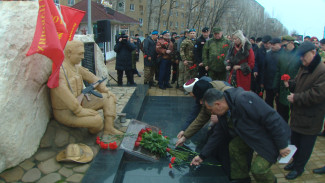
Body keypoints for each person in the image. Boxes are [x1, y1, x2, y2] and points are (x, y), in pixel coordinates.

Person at [190, 87, 291, 183]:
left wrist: (282, 145)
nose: (211, 113)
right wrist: (202, 156)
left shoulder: (244, 99)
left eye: (211, 109)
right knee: (235, 146)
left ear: (218, 104)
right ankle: (242, 178)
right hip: (252, 136)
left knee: (258, 170)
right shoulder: (225, 111)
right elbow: (217, 135)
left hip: (271, 137)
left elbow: (272, 119)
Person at [51, 40, 123, 135]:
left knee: (109, 97)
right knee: (97, 120)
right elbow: (63, 92)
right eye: (80, 54)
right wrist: (79, 111)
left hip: (81, 102)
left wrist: (104, 89)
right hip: (66, 111)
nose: (83, 57)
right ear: (69, 53)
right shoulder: (59, 71)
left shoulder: (76, 67)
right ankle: (85, 134)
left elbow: (93, 78)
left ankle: (109, 128)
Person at [284, 41, 325, 180]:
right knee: (295, 141)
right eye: (300, 56)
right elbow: (298, 82)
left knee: (305, 145)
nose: (301, 59)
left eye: (304, 56)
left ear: (314, 52)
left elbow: (317, 94)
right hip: (298, 114)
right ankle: (294, 161)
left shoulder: (321, 71)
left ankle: (299, 168)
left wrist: (296, 98)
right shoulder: (305, 67)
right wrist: (291, 84)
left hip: (311, 117)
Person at [273, 35, 300, 122]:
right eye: (282, 46)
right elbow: (278, 71)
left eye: (285, 45)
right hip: (282, 87)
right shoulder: (282, 54)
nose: (283, 47)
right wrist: (275, 87)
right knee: (281, 111)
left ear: (291, 43)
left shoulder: (299, 54)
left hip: (295, 88)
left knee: (294, 113)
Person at [260, 37, 282, 107]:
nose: (272, 46)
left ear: (279, 45)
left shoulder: (283, 55)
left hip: (279, 84)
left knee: (279, 104)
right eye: (271, 44)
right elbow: (264, 69)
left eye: (274, 44)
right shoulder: (268, 54)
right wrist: (262, 82)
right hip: (269, 83)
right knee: (268, 101)